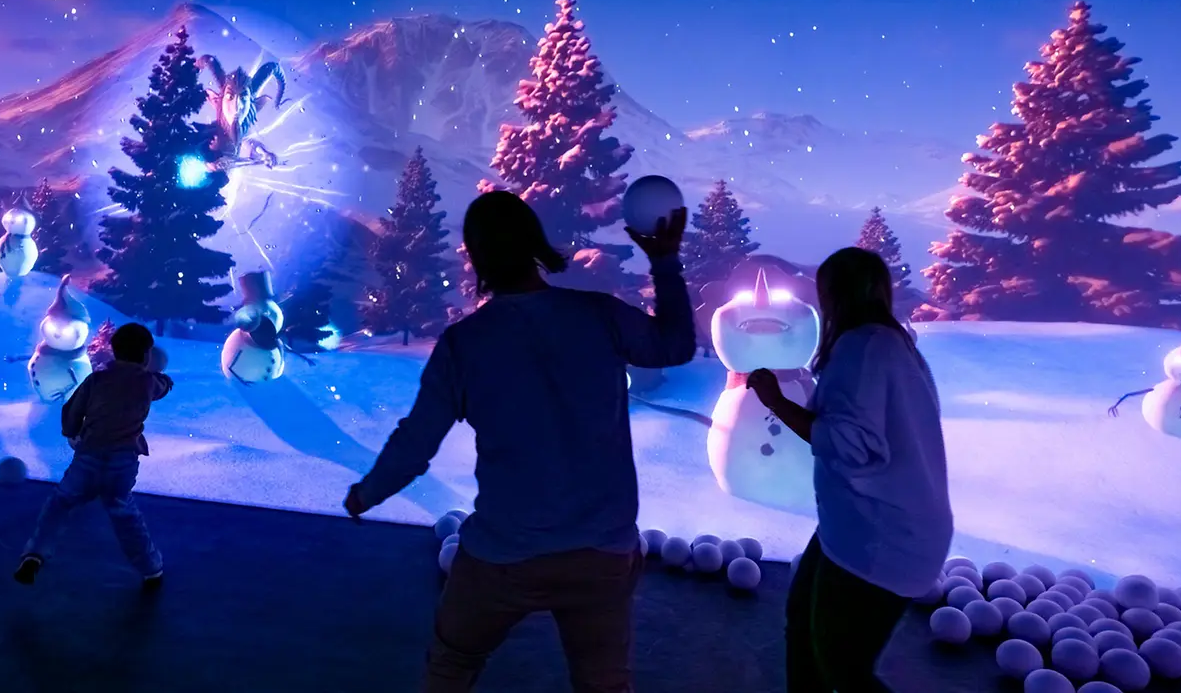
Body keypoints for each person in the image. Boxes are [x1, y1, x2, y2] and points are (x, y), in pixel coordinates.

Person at [344, 190, 696, 693]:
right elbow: (676, 344)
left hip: (503, 556)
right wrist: (663, 261)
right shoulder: (598, 315)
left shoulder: (464, 345)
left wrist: (367, 493)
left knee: (450, 666)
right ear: (533, 242)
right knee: (605, 685)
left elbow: (416, 442)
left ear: (477, 257)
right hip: (601, 554)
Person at [745, 247, 952, 693]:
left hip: (881, 534)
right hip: (866, 522)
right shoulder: (891, 345)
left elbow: (850, 444)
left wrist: (776, 402)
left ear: (835, 296)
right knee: (803, 622)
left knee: (843, 666)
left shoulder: (864, 347)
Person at [14, 323, 173, 588]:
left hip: (88, 456)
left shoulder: (97, 379)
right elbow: (162, 387)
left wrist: (71, 433)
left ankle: (35, 554)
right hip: (122, 462)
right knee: (124, 513)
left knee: (60, 504)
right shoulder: (147, 382)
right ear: (146, 355)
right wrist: (162, 377)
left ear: (113, 351)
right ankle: (151, 568)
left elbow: (73, 409)